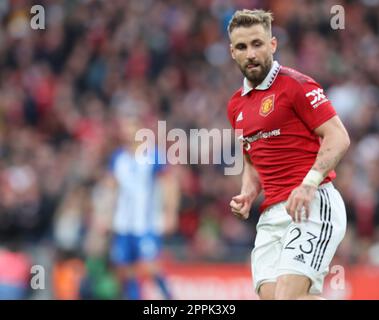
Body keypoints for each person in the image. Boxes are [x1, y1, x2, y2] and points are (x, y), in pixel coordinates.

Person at [227, 9, 350, 300]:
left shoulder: (296, 85)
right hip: (271, 215)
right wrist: (248, 192)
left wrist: (308, 184)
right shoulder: (235, 106)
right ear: (232, 52)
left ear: (272, 44)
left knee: (286, 297)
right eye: (242, 47)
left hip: (313, 203)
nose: (251, 53)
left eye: (257, 43)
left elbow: (338, 136)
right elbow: (252, 159)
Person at [106, 116, 179, 300]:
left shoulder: (152, 155)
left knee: (151, 266)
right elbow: (111, 188)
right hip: (123, 225)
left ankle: (170, 298)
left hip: (146, 223)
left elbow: (169, 184)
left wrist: (170, 213)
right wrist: (105, 214)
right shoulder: (118, 158)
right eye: (125, 129)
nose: (128, 133)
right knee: (125, 269)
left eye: (131, 128)